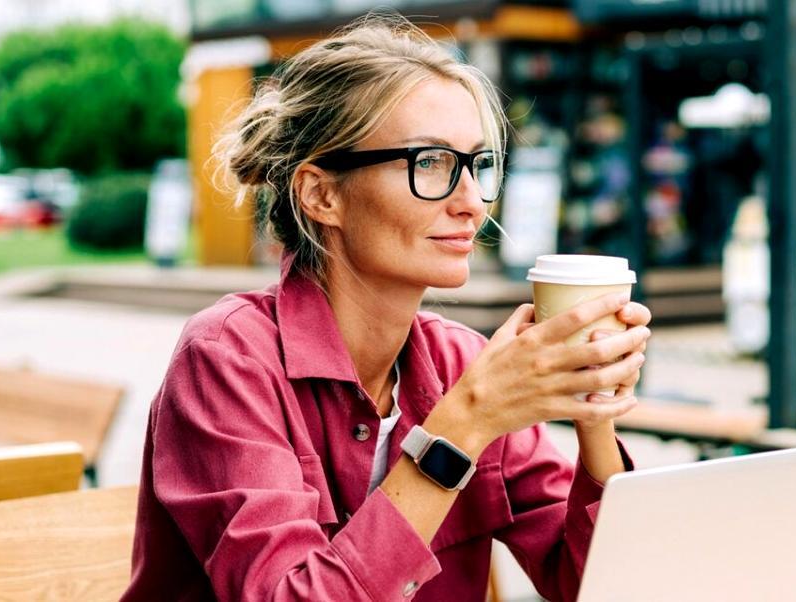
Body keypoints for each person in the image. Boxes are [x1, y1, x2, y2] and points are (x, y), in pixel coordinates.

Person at [122, 14, 651, 602]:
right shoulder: (228, 359)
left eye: (478, 165)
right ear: (321, 194)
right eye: (429, 162)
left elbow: (594, 584)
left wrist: (594, 407)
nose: (472, 203)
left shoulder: (461, 362)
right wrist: (466, 422)